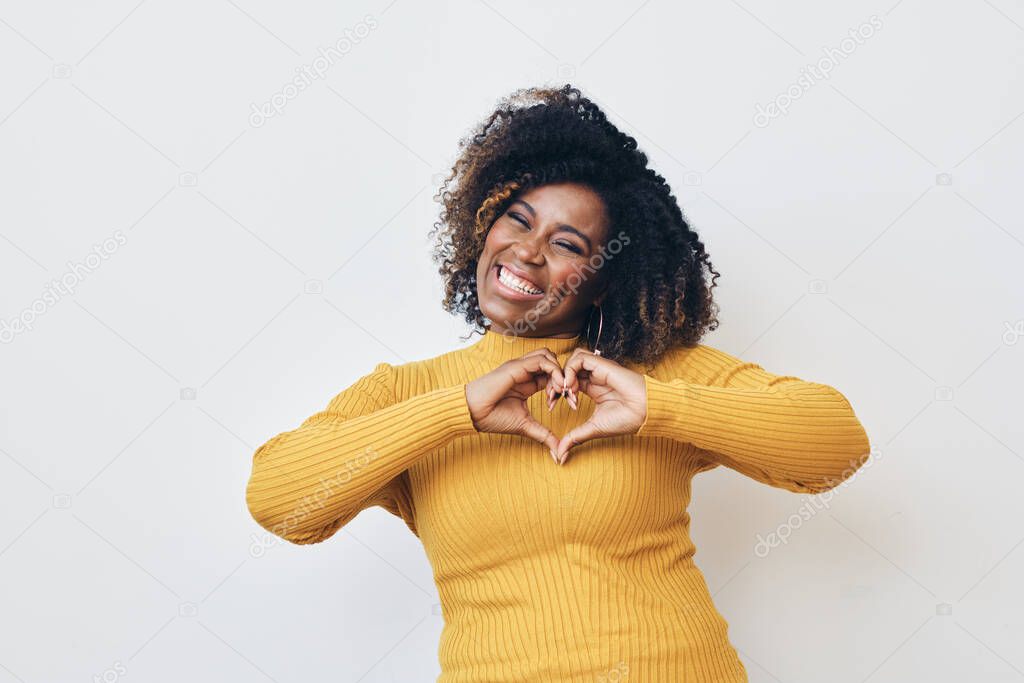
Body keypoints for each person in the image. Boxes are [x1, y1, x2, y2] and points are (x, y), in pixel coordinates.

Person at [244, 84, 871, 682]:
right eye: (517, 220)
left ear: (604, 281)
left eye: (566, 243)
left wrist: (658, 406)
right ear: (483, 224)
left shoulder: (650, 375)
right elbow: (280, 501)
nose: (527, 251)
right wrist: (455, 411)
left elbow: (836, 447)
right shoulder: (412, 392)